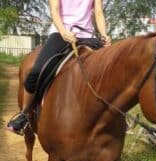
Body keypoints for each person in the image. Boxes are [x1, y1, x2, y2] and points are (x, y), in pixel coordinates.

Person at [7, 0, 111, 135]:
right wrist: (64, 32)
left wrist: (104, 35)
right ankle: (25, 114)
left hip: (88, 36)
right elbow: (54, 12)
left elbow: (98, 12)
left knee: (111, 70)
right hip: (61, 33)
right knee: (36, 71)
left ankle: (115, 116)